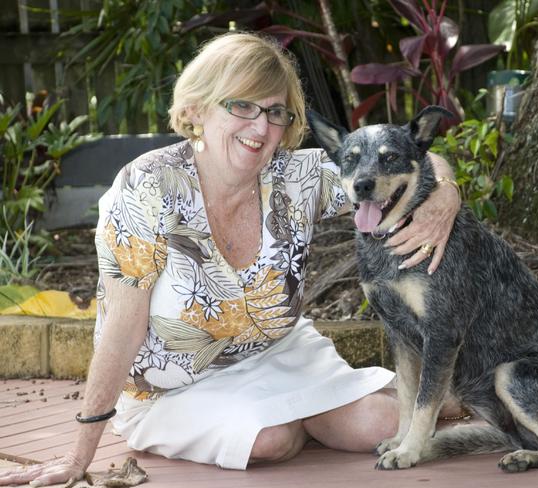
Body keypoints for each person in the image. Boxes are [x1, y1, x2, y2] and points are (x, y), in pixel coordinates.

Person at [0, 32, 461, 487]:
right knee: (268, 440)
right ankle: (314, 413)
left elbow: (423, 158)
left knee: (382, 427)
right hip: (171, 387)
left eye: (275, 112)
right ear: (196, 109)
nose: (260, 128)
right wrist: (78, 455)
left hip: (280, 355)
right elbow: (121, 331)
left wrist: (445, 195)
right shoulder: (147, 187)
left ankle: (335, 405)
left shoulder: (296, 177)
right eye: (241, 106)